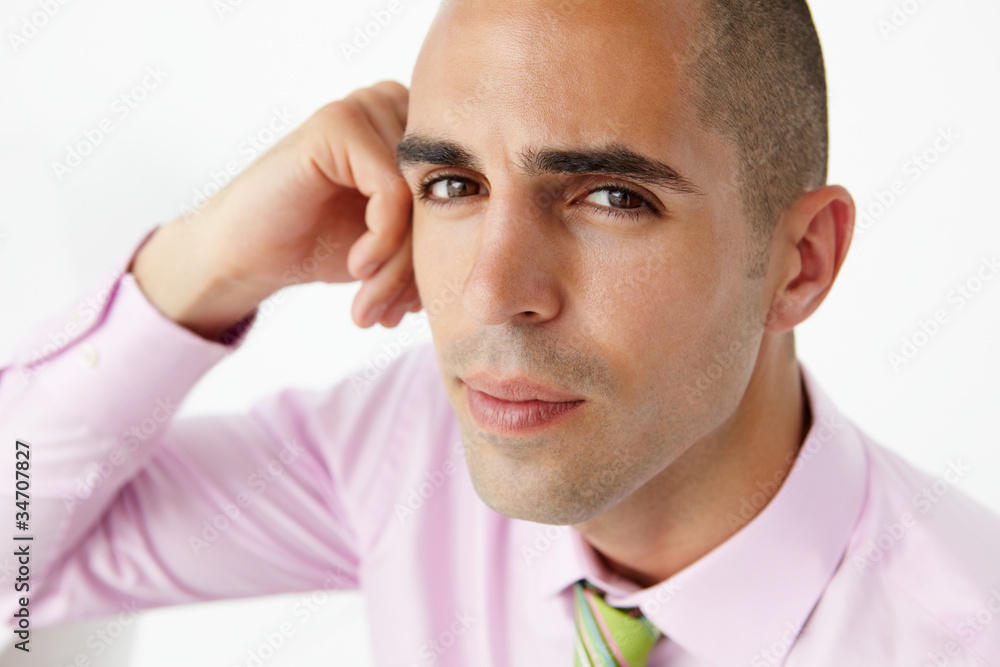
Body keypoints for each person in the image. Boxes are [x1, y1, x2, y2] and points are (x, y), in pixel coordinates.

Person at [3, 0, 999, 664]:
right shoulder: (410, 447)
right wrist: (206, 262)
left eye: (611, 196)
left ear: (801, 261)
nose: (490, 292)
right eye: (453, 184)